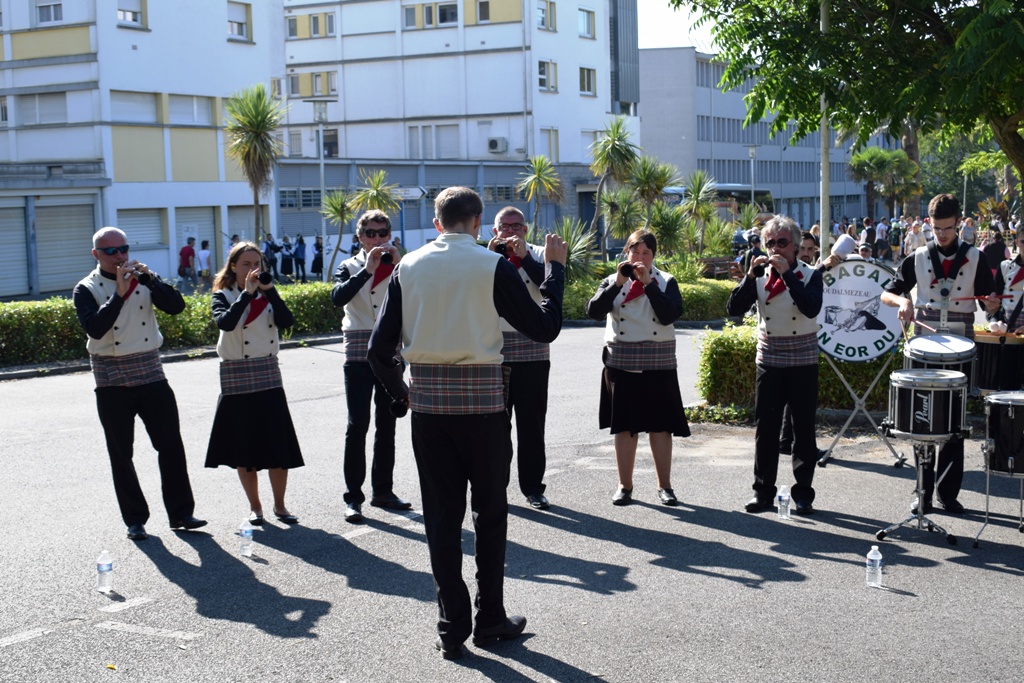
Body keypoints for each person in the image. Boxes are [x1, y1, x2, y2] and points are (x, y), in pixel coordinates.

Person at [368, 186, 566, 660]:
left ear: (437, 223)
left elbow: (377, 351)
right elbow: (545, 328)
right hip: (482, 403)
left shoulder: (408, 266)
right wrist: (555, 270)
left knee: (441, 518)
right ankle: (490, 617)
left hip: (429, 407)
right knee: (489, 513)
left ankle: (451, 626)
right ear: (478, 222)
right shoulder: (491, 264)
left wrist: (401, 394)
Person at [73, 227, 206, 541]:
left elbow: (176, 306)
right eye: (110, 251)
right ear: (96, 255)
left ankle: (181, 513)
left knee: (170, 444)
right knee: (122, 453)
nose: (119, 256)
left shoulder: (144, 279)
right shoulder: (86, 288)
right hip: (110, 377)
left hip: (150, 370)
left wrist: (152, 281)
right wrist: (119, 294)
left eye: (124, 249)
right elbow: (95, 329)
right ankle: (135, 520)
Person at [881, 193, 1000, 514]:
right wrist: (903, 301)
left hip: (961, 347)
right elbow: (886, 294)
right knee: (922, 421)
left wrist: (992, 306)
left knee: (954, 423)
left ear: (958, 223)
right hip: (924, 347)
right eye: (936, 228)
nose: (942, 234)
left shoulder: (976, 257)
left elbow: (991, 302)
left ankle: (948, 494)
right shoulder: (918, 256)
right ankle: (922, 493)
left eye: (947, 228)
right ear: (929, 224)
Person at [726, 215, 823, 515]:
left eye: (782, 243)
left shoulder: (810, 274)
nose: (776, 249)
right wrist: (748, 277)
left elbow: (810, 307)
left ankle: (803, 493)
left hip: (802, 357)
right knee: (766, 427)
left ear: (795, 246)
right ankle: (762, 492)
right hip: (769, 356)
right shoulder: (760, 275)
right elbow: (733, 309)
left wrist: (787, 275)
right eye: (770, 244)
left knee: (803, 428)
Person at [586, 229, 689, 506]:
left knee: (660, 427)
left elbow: (669, 315)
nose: (640, 258)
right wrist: (618, 283)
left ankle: (665, 486)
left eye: (646, 253)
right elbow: (594, 312)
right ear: (626, 252)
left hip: (658, 361)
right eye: (635, 251)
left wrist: (648, 284)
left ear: (654, 256)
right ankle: (624, 485)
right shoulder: (612, 280)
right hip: (621, 361)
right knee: (624, 427)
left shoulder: (666, 281)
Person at [205, 241, 304, 525]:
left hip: (267, 371)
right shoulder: (222, 295)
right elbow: (226, 323)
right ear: (233, 267)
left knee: (277, 444)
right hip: (236, 373)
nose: (252, 269)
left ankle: (280, 505)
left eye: (257, 263)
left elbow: (287, 321)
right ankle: (255, 506)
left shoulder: (268, 291)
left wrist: (269, 291)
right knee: (243, 446)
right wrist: (247, 294)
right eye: (246, 264)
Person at [331, 210, 410, 523]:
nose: (377, 239)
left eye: (382, 233)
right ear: (360, 237)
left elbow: (417, 299)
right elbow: (338, 297)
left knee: (387, 424)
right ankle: (353, 497)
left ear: (390, 234)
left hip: (391, 351)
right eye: (370, 233)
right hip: (358, 353)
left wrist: (400, 266)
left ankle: (383, 491)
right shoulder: (349, 266)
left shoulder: (402, 265)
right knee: (358, 424)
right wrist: (367, 270)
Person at [488, 207, 554, 509]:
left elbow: (550, 286)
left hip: (533, 350)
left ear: (526, 230)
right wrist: (494, 258)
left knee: (532, 425)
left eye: (517, 226)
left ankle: (533, 487)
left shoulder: (540, 254)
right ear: (495, 231)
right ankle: (495, 487)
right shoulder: (486, 256)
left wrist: (524, 256)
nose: (511, 231)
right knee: (496, 426)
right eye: (505, 226)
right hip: (494, 350)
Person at [989, 229, 1024, 333]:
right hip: (1006, 325)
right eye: (1023, 242)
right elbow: (995, 298)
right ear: (1016, 242)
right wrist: (994, 321)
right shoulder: (1004, 266)